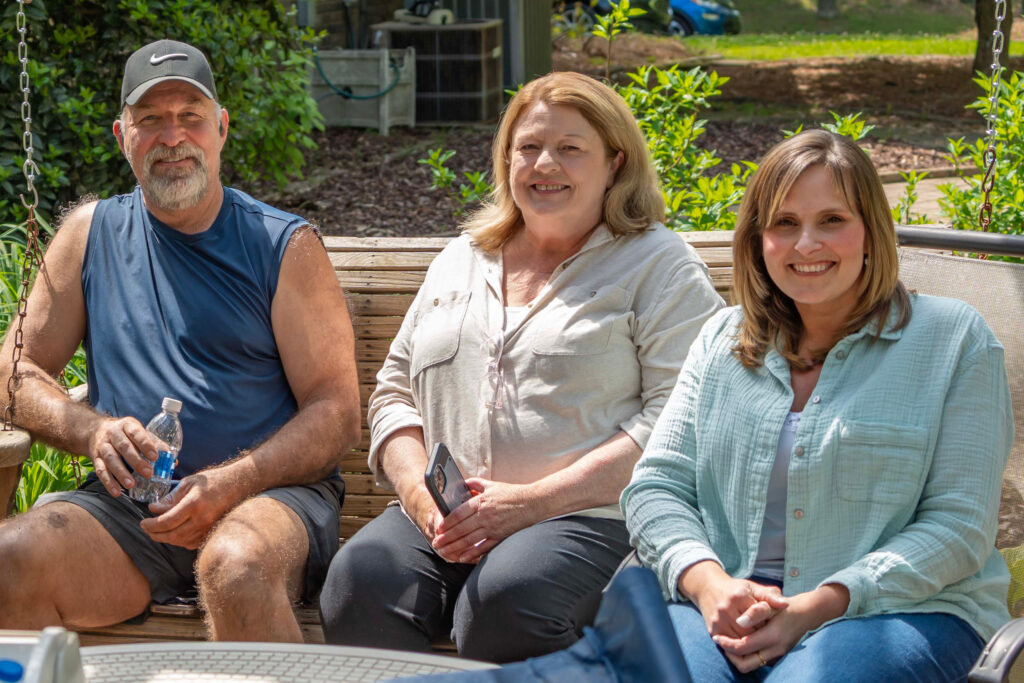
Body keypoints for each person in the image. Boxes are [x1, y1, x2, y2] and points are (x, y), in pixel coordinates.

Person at [319, 71, 724, 662]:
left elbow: (680, 419)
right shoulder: (462, 258)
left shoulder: (658, 265)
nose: (544, 165)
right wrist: (419, 498)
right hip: (446, 518)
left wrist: (529, 504)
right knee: (359, 585)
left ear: (615, 162)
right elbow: (394, 395)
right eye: (527, 148)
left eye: (569, 149)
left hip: (592, 518)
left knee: (508, 602)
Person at [0, 39, 361, 642]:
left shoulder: (284, 246)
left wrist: (231, 482)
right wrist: (93, 430)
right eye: (151, 121)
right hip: (130, 508)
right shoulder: (89, 236)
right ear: (123, 136)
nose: (173, 137)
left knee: (235, 568)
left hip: (270, 498)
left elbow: (336, 412)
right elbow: (13, 373)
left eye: (190, 117)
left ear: (220, 128)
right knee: (11, 560)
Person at [621, 129, 1014, 681]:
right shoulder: (721, 339)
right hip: (725, 601)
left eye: (832, 220)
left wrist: (817, 606)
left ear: (870, 232)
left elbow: (958, 528)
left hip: (904, 610)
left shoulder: (954, 341)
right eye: (785, 223)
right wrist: (709, 584)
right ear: (759, 240)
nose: (807, 244)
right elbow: (656, 485)